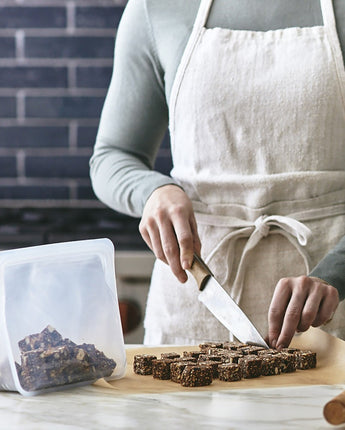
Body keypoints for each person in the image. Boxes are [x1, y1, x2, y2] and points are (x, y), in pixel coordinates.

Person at [90, 0, 345, 348]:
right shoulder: (156, 8)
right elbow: (113, 156)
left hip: (328, 314)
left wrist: (335, 275)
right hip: (194, 303)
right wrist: (154, 191)